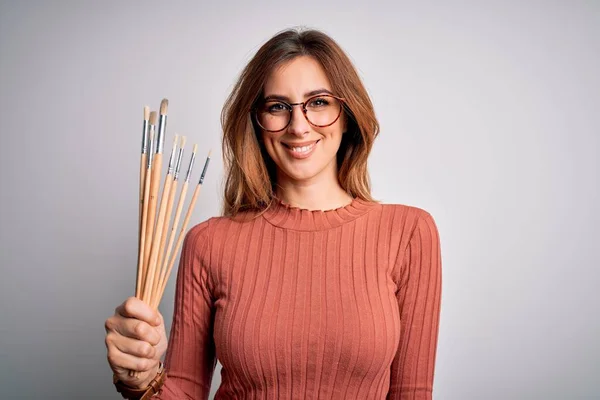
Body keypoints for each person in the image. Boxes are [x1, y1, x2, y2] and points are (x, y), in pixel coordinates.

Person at [105, 28, 442, 399]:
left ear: (347, 115)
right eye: (278, 106)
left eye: (318, 102)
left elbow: (412, 394)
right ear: (256, 121)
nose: (298, 126)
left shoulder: (409, 233)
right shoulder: (208, 242)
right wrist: (141, 378)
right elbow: (184, 392)